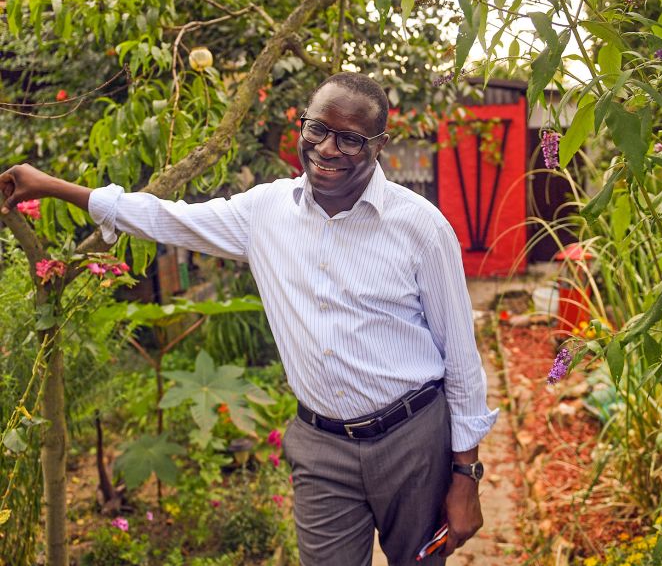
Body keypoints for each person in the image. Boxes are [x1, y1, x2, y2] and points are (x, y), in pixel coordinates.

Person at [0, 72, 498, 565]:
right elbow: (166, 218)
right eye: (317, 129)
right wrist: (48, 186)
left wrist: (465, 476)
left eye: (350, 139)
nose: (327, 149)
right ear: (302, 125)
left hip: (412, 442)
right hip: (321, 449)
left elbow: (460, 358)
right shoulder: (266, 211)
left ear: (378, 144)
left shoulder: (421, 228)